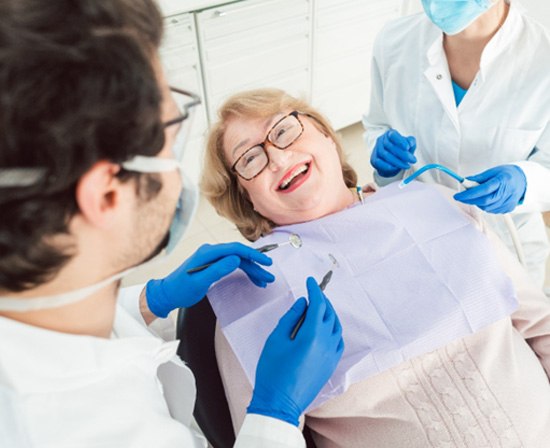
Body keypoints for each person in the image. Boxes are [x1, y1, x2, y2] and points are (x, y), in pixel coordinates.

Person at [0, 2, 344, 447]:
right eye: (170, 129)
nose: (277, 157)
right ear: (107, 194)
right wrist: (275, 416)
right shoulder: (65, 428)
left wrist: (150, 300)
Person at [201, 88, 550, 447]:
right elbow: (261, 433)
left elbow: (542, 326)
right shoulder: (253, 293)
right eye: (249, 159)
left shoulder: (440, 205)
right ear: (246, 198)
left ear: (324, 134)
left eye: (284, 130)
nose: (276, 157)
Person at [363, 0, 550, 287]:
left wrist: (524, 182)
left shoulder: (543, 56)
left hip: (506, 247)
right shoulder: (394, 41)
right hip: (417, 234)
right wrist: (382, 153)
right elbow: (378, 123)